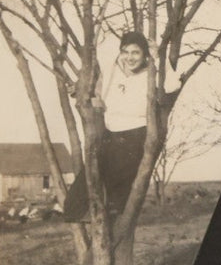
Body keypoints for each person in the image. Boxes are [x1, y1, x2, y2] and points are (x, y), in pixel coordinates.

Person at [63, 31, 180, 223]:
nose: (129, 57)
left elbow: (173, 86)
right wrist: (79, 91)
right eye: (125, 52)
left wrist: (158, 56)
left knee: (117, 185)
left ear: (144, 55)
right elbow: (96, 94)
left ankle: (112, 212)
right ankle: (80, 213)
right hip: (110, 132)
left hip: (137, 133)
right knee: (89, 175)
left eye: (136, 53)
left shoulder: (151, 72)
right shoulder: (112, 71)